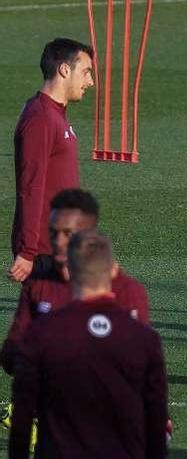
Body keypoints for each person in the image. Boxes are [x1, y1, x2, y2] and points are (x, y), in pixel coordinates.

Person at [8, 230, 168, 459]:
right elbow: (156, 416)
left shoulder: (41, 335)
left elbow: (23, 415)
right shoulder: (144, 339)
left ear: (68, 271)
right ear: (113, 271)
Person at [1, 189, 150, 375]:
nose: (58, 242)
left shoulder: (126, 291)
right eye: (53, 233)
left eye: (68, 234)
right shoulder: (39, 286)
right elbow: (10, 353)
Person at [8, 38, 94, 282]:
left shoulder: (54, 114)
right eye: (86, 72)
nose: (90, 82)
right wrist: (27, 251)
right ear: (65, 70)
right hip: (46, 251)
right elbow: (30, 187)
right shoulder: (41, 118)